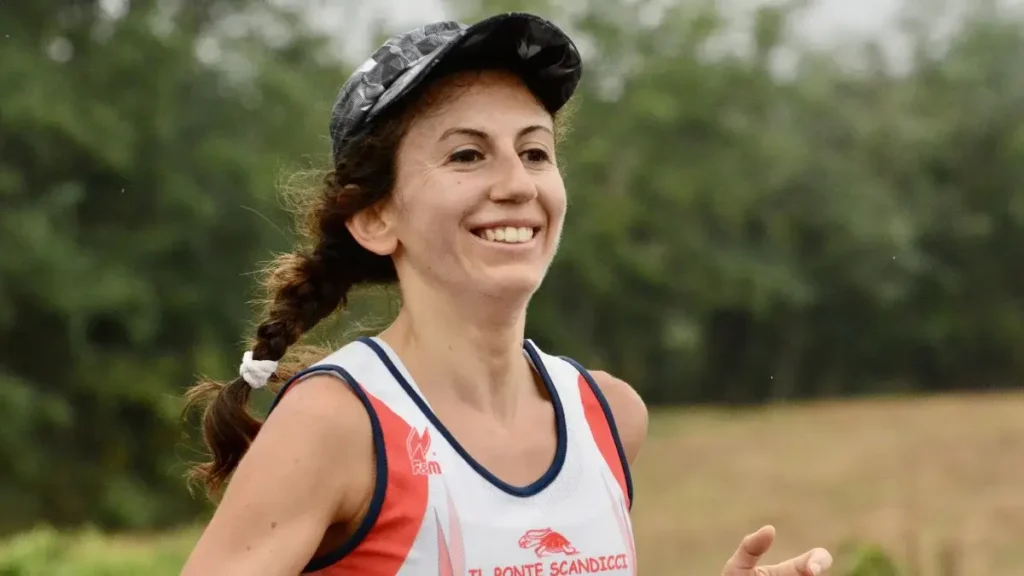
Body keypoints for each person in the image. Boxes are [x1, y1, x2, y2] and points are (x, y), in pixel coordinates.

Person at [180, 12, 834, 576]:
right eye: (467, 155)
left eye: (535, 153)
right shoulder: (338, 425)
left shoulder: (608, 416)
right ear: (377, 217)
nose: (517, 184)